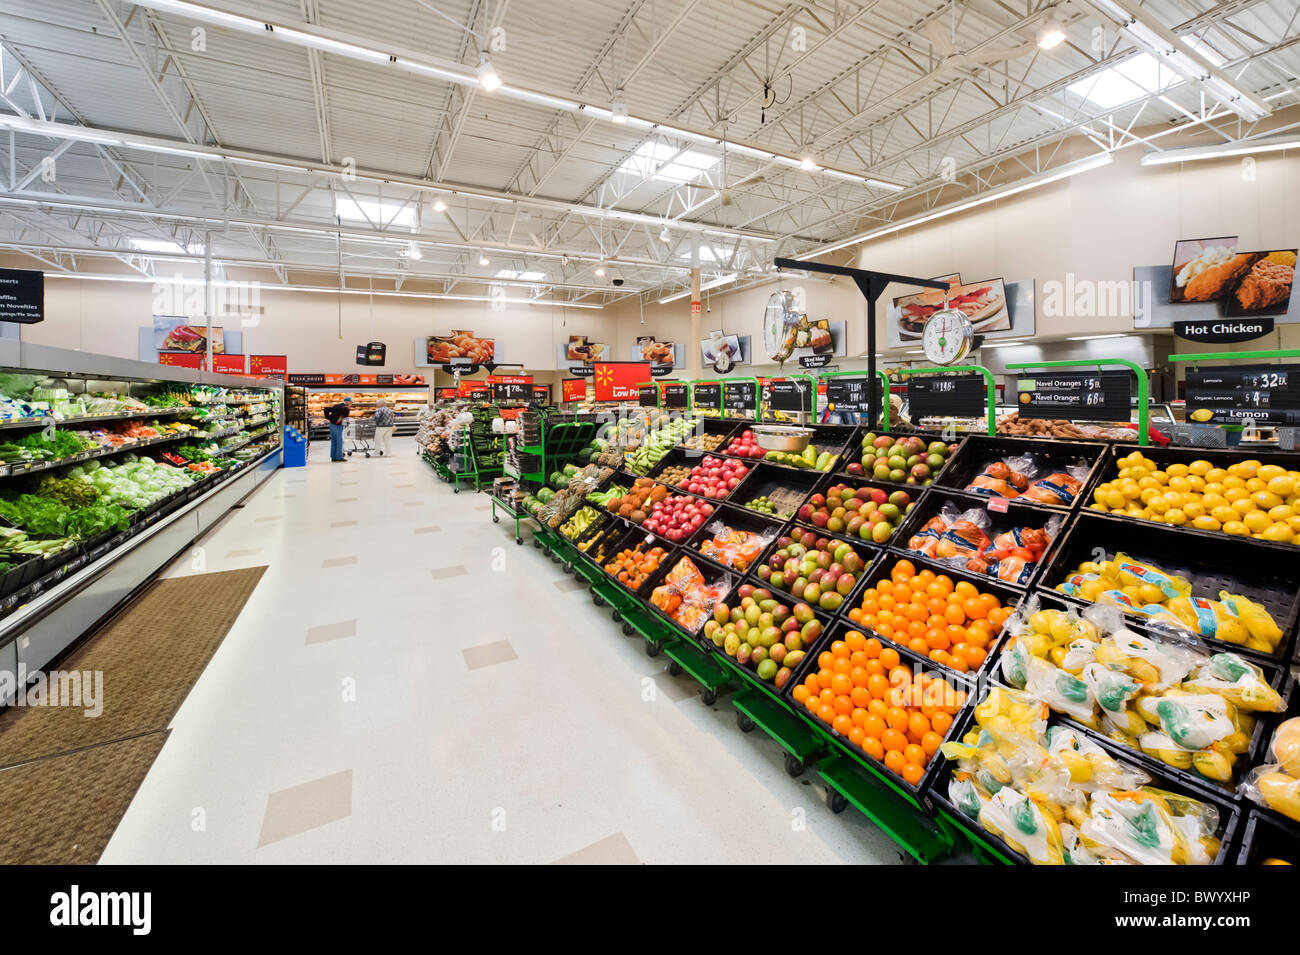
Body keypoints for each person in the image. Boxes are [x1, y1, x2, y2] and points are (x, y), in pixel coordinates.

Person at [325, 396, 352, 462]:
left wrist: (329, 418)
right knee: (339, 442)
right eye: (351, 402)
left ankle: (333, 457)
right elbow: (345, 418)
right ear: (348, 402)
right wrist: (347, 423)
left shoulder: (336, 405)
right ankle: (339, 457)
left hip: (332, 425)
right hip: (338, 426)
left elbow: (326, 409)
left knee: (333, 442)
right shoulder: (346, 408)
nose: (351, 404)